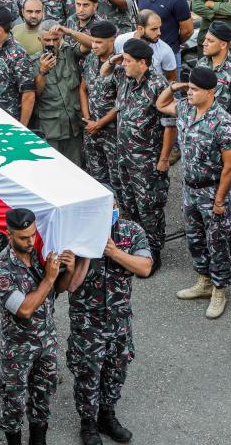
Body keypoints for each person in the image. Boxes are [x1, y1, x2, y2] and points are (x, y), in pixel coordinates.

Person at [67, 191, 151, 445]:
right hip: (87, 322)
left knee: (117, 369)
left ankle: (107, 414)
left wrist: (114, 253)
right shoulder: (76, 234)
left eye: (112, 207)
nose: (108, 213)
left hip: (119, 319)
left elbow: (145, 267)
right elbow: (69, 285)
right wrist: (86, 254)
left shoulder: (131, 232)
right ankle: (88, 423)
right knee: (88, 372)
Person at [0, 208, 75, 445]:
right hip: (17, 349)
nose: (30, 241)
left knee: (42, 397)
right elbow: (24, 309)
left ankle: (39, 440)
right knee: (13, 403)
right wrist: (48, 278)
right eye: (23, 237)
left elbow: (60, 289)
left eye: (33, 235)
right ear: (9, 234)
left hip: (46, 343)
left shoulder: (40, 254)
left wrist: (69, 269)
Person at [157, 66, 231, 319]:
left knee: (217, 242)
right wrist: (176, 86)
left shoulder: (224, 123)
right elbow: (161, 104)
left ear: (210, 92)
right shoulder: (185, 108)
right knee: (194, 238)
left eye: (194, 89)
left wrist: (220, 199)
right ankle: (203, 280)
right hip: (189, 189)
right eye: (189, 88)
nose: (189, 93)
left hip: (212, 190)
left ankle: (219, 289)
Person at [100, 38, 169, 275]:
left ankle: (154, 253)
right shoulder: (125, 77)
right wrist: (115, 59)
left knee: (149, 208)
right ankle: (137, 249)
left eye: (129, 61)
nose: (124, 64)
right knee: (128, 205)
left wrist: (163, 158)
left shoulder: (159, 86)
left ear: (143, 63)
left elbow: (169, 125)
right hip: (125, 157)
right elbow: (104, 72)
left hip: (147, 160)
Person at [197, 21, 231, 252]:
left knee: (229, 193)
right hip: (202, 144)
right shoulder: (201, 65)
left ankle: (228, 242)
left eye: (209, 40)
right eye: (205, 39)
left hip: (226, 146)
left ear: (224, 44)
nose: (204, 43)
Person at [33, 19, 85, 164]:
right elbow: (35, 94)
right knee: (52, 170)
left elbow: (91, 44)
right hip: (50, 129)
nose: (51, 44)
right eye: (47, 40)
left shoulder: (69, 52)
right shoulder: (33, 62)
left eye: (55, 39)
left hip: (73, 125)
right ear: (39, 39)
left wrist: (68, 31)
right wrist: (43, 71)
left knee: (76, 169)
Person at [80, 20, 118, 188]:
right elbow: (82, 89)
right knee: (96, 178)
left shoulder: (120, 64)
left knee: (116, 178)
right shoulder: (90, 59)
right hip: (91, 129)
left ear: (112, 41)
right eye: (93, 41)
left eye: (99, 42)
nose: (93, 45)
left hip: (112, 131)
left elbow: (121, 103)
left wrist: (99, 124)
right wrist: (88, 119)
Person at [114, 9, 177, 81]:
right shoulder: (120, 41)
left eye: (159, 28)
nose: (159, 33)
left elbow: (171, 78)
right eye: (154, 29)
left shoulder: (165, 51)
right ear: (140, 29)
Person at [191, 0, 231, 64]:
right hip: (207, 39)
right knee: (204, 71)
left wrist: (210, 4)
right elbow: (196, 7)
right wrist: (215, 14)